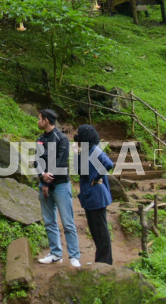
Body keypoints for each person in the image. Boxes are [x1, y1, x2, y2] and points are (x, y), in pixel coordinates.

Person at [36, 108, 81, 267]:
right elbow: (37, 161)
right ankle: (55, 253)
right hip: (44, 185)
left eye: (39, 118)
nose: (38, 121)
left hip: (60, 185)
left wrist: (47, 182)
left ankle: (74, 256)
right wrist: (42, 175)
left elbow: (61, 162)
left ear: (46, 120)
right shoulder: (40, 139)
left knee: (68, 222)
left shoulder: (61, 139)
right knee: (49, 221)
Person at [75, 124, 114, 265]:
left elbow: (108, 163)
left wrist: (96, 178)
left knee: (101, 230)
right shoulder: (85, 151)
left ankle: (105, 262)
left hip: (97, 195)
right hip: (90, 196)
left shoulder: (93, 149)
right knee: (95, 230)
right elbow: (79, 170)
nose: (76, 136)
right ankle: (100, 260)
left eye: (78, 134)